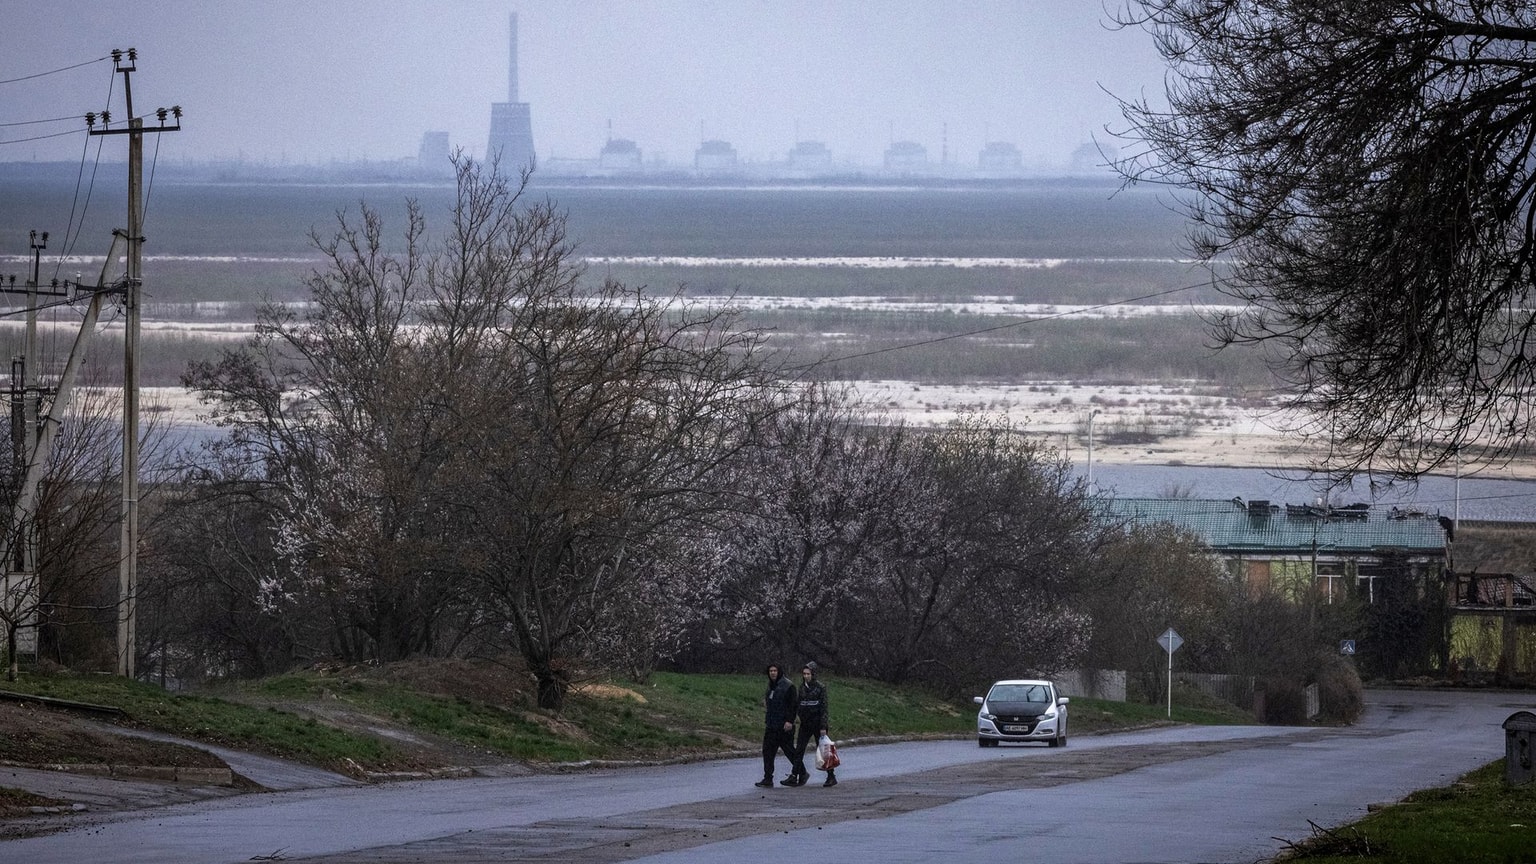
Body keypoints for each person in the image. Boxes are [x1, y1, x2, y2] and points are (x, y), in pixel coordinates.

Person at [787, 661, 835, 787]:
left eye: (808, 674)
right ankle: (794, 775)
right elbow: (800, 704)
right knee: (799, 750)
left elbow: (824, 708)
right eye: (804, 674)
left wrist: (823, 726)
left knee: (824, 751)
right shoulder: (802, 687)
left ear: (813, 674)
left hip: (818, 723)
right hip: (805, 723)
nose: (806, 676)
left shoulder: (820, 688)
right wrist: (799, 716)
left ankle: (831, 776)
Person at [756, 662, 798, 788]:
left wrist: (790, 721)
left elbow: (793, 705)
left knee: (789, 751)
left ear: (779, 672)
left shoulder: (788, 686)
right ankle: (768, 778)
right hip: (771, 724)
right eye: (770, 671)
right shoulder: (771, 686)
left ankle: (801, 771)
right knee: (768, 751)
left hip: (784, 725)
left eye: (774, 671)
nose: (772, 673)